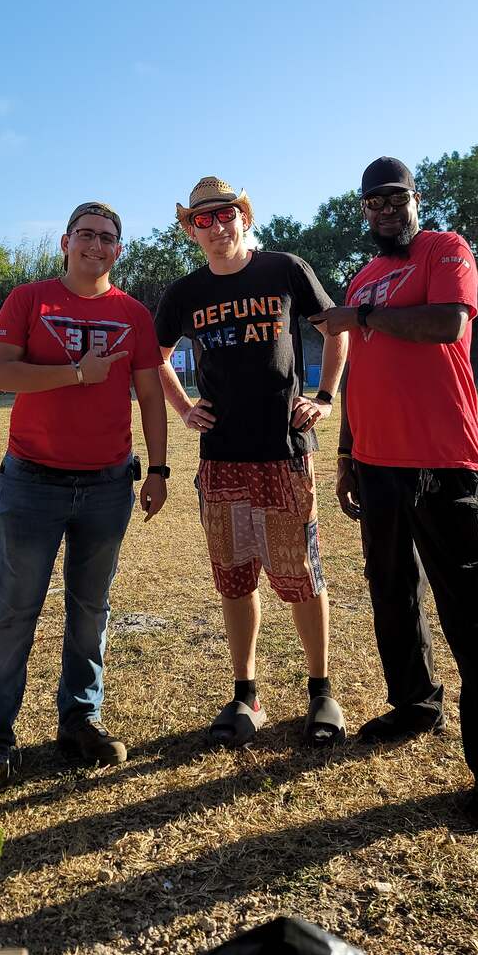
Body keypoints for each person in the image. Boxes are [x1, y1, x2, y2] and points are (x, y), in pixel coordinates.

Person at [310, 156, 478, 825]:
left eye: (392, 199)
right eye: (371, 202)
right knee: (392, 595)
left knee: (477, 611)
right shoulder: (365, 276)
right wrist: (347, 454)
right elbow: (362, 376)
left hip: (445, 465)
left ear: (415, 199)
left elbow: (447, 325)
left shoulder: (446, 250)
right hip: (377, 467)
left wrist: (362, 318)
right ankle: (415, 705)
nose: (382, 210)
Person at [0, 201, 169, 813]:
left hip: (108, 484)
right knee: (13, 613)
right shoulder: (29, 300)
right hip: (32, 482)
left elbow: (150, 394)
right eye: (86, 236)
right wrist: (77, 373)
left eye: (107, 238)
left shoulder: (133, 314)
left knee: (91, 609)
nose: (95, 246)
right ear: (65, 242)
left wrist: (158, 468)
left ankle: (79, 720)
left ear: (118, 250)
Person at [155, 177, 349, 748]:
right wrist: (185, 407)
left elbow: (335, 330)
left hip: (283, 453)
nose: (216, 228)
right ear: (191, 230)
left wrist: (325, 396)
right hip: (222, 459)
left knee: (303, 576)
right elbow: (157, 357)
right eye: (202, 220)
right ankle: (246, 692)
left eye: (225, 215)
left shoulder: (284, 268)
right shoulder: (184, 293)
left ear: (243, 215)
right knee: (235, 579)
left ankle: (321, 692)